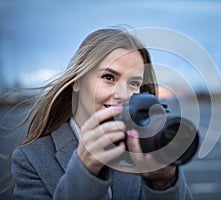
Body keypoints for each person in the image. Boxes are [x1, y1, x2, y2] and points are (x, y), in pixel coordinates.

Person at [11, 28, 193, 199]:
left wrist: (164, 183)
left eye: (133, 83)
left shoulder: (150, 148)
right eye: (108, 77)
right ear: (77, 81)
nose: (123, 95)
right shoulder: (31, 159)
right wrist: (84, 171)